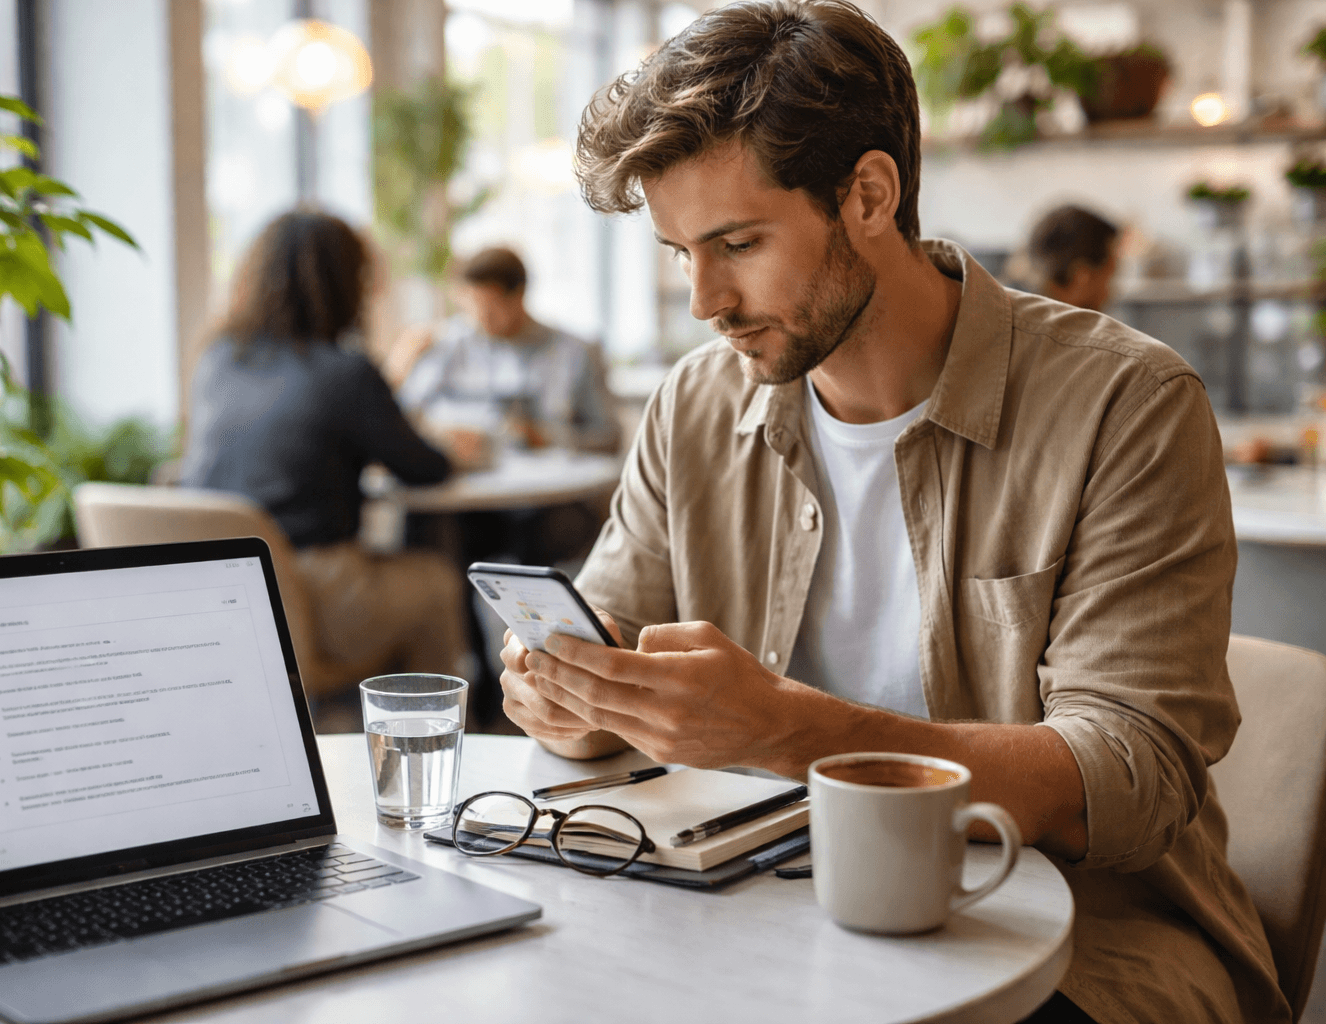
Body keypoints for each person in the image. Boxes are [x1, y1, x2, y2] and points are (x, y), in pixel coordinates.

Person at [496, 4, 1289, 1023]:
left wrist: (791, 730)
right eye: (678, 251)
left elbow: (1129, 774)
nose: (703, 299)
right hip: (770, 909)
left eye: (736, 242)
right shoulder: (697, 403)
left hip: (1080, 942)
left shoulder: (1124, 404)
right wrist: (571, 691)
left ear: (869, 193)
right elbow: (607, 634)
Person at [182, 210, 468, 680]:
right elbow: (424, 468)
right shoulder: (345, 371)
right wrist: (459, 450)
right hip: (311, 595)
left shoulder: (217, 361)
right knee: (436, 583)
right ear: (344, 282)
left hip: (216, 598)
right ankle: (432, 738)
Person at [396, 247, 621, 455]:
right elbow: (403, 416)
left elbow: (610, 439)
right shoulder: (448, 344)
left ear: (519, 296)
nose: (480, 318)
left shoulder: (576, 353)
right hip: (464, 485)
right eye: (471, 307)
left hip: (549, 490)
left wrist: (547, 438)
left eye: (490, 308)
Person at [1026, 204, 1120, 311]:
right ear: (1082, 277)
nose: (1110, 294)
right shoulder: (1087, 326)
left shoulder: (1014, 316)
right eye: (1110, 279)